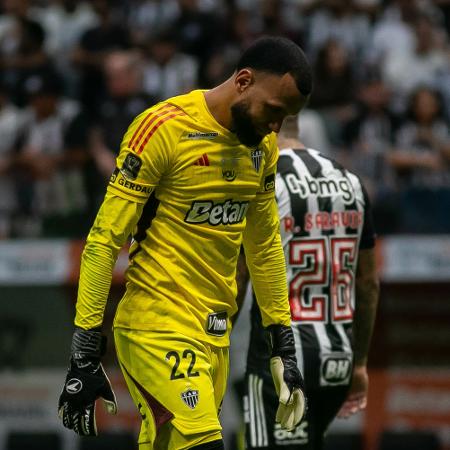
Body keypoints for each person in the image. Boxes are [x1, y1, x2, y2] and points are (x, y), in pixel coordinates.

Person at [57, 36, 312, 450]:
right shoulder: (163, 128)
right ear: (243, 81)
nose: (276, 127)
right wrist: (85, 348)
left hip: (214, 334)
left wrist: (282, 343)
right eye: (274, 111)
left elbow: (264, 248)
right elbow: (105, 240)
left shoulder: (262, 148)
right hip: (156, 327)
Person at [239, 115, 379, 449]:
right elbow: (369, 282)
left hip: (283, 362)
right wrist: (359, 364)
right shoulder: (351, 181)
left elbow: (239, 276)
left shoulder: (264, 182)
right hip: (338, 360)